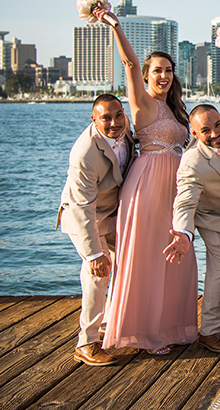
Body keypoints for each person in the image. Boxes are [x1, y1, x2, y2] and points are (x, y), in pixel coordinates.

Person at [98, 9, 198, 354]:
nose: (164, 76)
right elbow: (129, 65)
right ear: (147, 75)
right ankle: (144, 331)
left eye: (169, 70)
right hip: (148, 183)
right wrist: (116, 27)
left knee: (174, 252)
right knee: (147, 255)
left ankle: (171, 326)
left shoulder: (176, 108)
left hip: (176, 185)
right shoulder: (142, 102)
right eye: (157, 70)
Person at [163, 105, 220, 353]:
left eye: (217, 125)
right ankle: (210, 332)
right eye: (205, 131)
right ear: (194, 133)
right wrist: (183, 234)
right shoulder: (192, 163)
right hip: (214, 219)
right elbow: (184, 202)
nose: (214, 134)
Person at [57, 94, 135, 366]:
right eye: (106, 118)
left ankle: (109, 325)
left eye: (118, 115)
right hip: (85, 218)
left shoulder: (125, 133)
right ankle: (86, 343)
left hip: (112, 214)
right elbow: (81, 209)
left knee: (129, 263)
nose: (114, 122)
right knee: (97, 275)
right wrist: (93, 256)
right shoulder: (85, 153)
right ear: (94, 119)